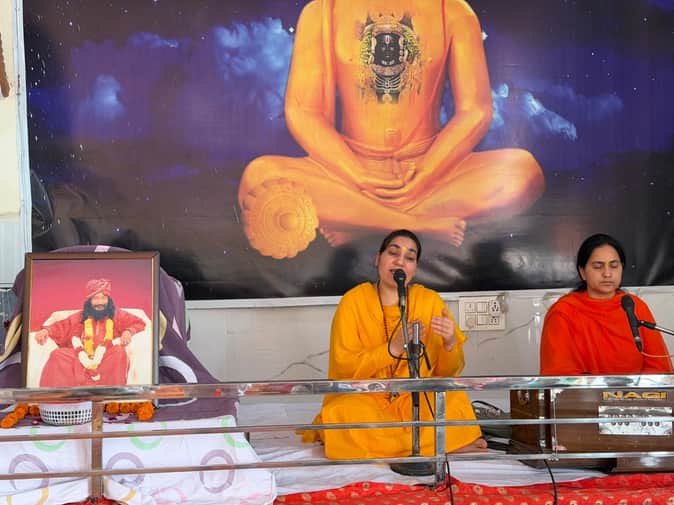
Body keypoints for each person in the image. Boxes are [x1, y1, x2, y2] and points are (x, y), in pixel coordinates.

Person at [238, 0, 545, 259]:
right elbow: (304, 111)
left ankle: (359, 220)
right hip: (349, 171)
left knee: (523, 172)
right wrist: (357, 174)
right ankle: (416, 223)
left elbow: (475, 110)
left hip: (428, 169)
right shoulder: (322, 11)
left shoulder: (451, 10)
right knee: (258, 176)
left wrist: (425, 173)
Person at [301, 229, 486, 459]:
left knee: (455, 399)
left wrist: (450, 344)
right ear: (378, 259)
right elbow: (344, 369)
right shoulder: (353, 302)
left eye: (410, 257)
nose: (400, 261)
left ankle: (387, 447)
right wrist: (391, 350)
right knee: (341, 413)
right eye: (393, 253)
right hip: (368, 398)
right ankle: (440, 444)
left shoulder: (429, 301)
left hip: (413, 399)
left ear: (414, 268)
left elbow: (446, 373)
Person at [540, 234, 673, 375]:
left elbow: (659, 367)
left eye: (614, 266)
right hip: (583, 390)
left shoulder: (634, 306)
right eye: (598, 267)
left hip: (637, 390)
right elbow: (558, 372)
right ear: (583, 272)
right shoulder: (563, 312)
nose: (607, 274)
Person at [34, 278, 147, 386]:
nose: (100, 302)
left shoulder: (117, 314)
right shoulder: (80, 316)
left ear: (108, 299)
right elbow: (62, 326)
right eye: (96, 298)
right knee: (58, 355)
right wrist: (46, 330)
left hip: (106, 356)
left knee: (119, 352)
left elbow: (138, 323)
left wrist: (128, 331)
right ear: (89, 300)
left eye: (103, 298)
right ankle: (64, 396)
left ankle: (110, 394)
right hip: (80, 357)